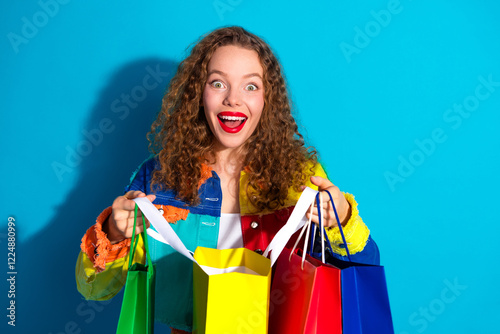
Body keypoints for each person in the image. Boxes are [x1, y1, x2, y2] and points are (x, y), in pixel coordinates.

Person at [75, 26, 379, 333]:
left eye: (251, 87)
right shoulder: (157, 179)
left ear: (267, 100)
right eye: (218, 83)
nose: (233, 99)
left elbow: (362, 270)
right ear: (198, 95)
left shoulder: (300, 177)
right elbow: (94, 290)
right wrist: (113, 232)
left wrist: (341, 218)